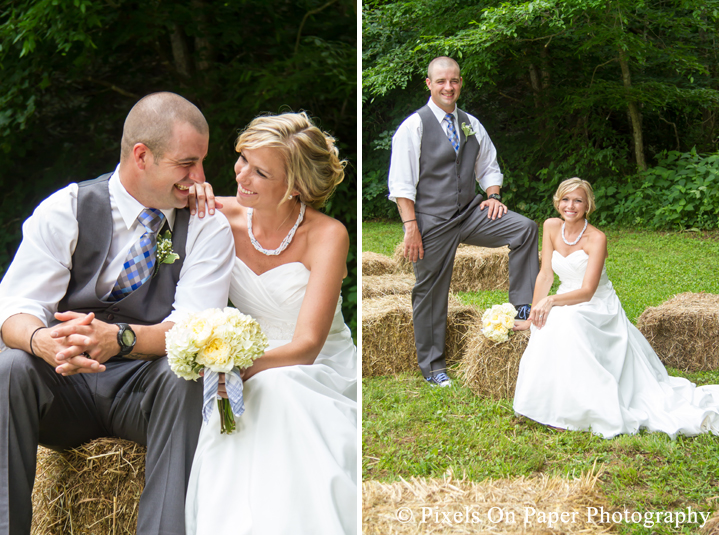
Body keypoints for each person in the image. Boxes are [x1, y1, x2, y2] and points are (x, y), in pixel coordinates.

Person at [0, 92, 235, 534]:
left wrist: (121, 338)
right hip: (66, 387)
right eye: (188, 164)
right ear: (142, 156)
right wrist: (40, 341)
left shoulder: (206, 224)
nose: (200, 177)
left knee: (186, 373)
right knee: (10, 366)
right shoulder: (66, 209)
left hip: (142, 394)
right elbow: (14, 306)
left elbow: (193, 330)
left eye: (202, 162)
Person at [184, 112, 357, 535]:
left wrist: (238, 367)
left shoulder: (328, 235)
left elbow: (307, 344)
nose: (241, 175)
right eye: (243, 159)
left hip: (313, 363)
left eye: (260, 172)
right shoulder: (216, 214)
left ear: (294, 186)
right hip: (246, 359)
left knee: (278, 390)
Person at [513, 178, 719, 438]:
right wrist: (532, 317)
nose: (570, 205)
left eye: (578, 200)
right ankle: (546, 404)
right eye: (565, 199)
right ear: (557, 201)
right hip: (566, 296)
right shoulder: (551, 227)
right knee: (547, 325)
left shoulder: (596, 238)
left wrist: (551, 301)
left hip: (597, 303)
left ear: (588, 205)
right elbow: (545, 276)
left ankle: (578, 411)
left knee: (568, 323)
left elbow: (588, 291)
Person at [388, 56, 539, 387]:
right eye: (441, 81)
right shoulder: (413, 127)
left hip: (470, 212)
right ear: (429, 84)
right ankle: (432, 366)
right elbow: (401, 184)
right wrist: (411, 228)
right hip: (431, 220)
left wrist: (493, 196)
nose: (448, 87)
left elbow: (489, 166)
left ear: (460, 83)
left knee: (524, 228)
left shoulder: (471, 123)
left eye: (454, 81)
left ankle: (523, 307)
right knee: (430, 291)